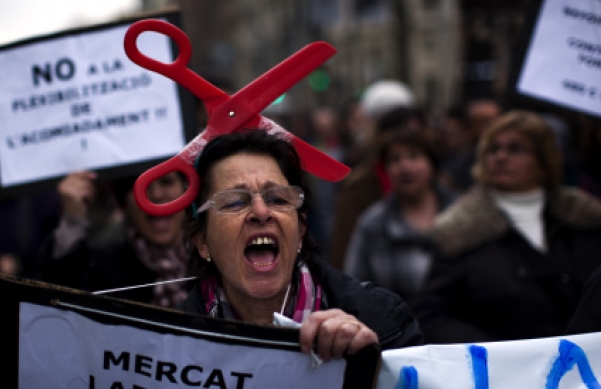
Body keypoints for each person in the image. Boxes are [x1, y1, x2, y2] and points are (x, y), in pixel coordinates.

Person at [178, 128, 423, 361]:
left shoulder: (383, 319)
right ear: (202, 242)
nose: (261, 212)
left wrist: (370, 367)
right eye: (233, 202)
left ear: (301, 229)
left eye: (278, 198)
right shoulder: (169, 346)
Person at [414, 110, 601, 343]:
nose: (501, 157)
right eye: (493, 149)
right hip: (505, 372)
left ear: (544, 160)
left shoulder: (585, 218)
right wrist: (497, 352)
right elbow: (432, 315)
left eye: (515, 148)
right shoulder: (459, 230)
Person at [41, 170, 189, 307]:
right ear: (122, 203)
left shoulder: (208, 259)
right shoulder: (104, 269)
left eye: (167, 182)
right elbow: (61, 293)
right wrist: (73, 219)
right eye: (140, 184)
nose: (156, 195)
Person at [343, 128, 455, 303]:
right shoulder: (373, 223)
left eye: (414, 156)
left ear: (432, 164)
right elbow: (355, 287)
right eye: (395, 159)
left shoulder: (461, 214)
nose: (405, 167)